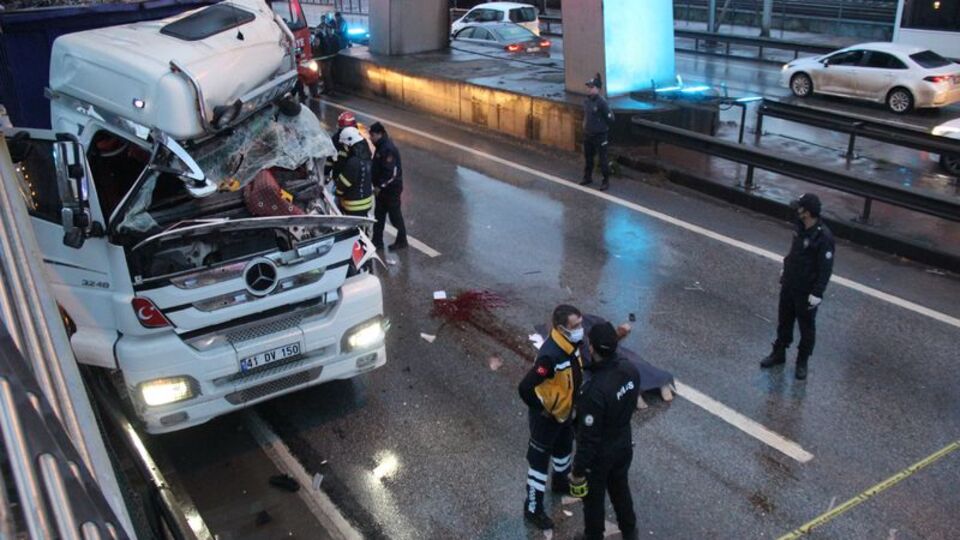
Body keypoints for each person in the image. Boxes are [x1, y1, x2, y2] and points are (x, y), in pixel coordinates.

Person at [568, 322, 641, 540]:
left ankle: (593, 536)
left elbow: (588, 439)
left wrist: (578, 470)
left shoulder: (594, 391)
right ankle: (630, 532)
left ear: (591, 348)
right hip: (623, 442)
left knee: (593, 499)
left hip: (601, 453)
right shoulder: (630, 370)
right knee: (620, 489)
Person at [517, 304, 586, 530]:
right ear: (561, 328)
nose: (580, 329)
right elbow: (525, 388)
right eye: (575, 326)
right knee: (538, 465)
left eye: (580, 324)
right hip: (546, 419)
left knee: (564, 450)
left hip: (563, 414)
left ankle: (560, 482)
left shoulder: (572, 345)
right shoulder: (550, 356)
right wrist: (542, 409)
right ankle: (533, 508)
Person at [760, 193, 835, 380]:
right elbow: (794, 252)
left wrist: (817, 293)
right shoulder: (800, 226)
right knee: (784, 320)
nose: (797, 210)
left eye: (800, 208)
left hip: (806, 290)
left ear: (807, 212)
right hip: (790, 283)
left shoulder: (823, 237)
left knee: (806, 327)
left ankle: (802, 361)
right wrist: (786, 268)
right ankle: (779, 352)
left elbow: (825, 269)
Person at [369, 122, 408, 250]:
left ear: (379, 134)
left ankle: (402, 240)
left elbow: (391, 173)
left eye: (372, 135)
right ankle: (377, 241)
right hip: (382, 190)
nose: (370, 138)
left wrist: (379, 186)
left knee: (395, 216)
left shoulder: (387, 149)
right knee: (379, 216)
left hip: (391, 190)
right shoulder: (381, 146)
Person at [579, 73, 614, 191]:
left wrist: (601, 127)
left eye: (591, 87)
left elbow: (611, 118)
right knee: (588, 158)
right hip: (588, 134)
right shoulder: (586, 101)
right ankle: (587, 177)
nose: (589, 89)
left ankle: (605, 181)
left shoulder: (602, 102)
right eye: (588, 87)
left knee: (603, 159)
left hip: (600, 135)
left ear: (597, 89)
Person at [335, 126, 374, 217]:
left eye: (345, 145)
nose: (344, 147)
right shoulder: (367, 157)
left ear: (350, 143)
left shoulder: (353, 162)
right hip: (367, 203)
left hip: (352, 206)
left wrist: (338, 193)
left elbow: (344, 183)